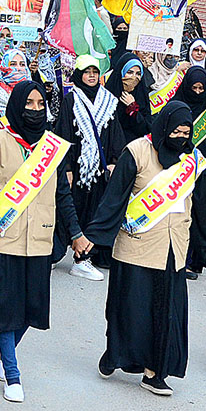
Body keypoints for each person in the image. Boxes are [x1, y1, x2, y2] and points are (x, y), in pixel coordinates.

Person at [0, 81, 91, 403]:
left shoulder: (54, 146)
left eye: (41, 104)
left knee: (29, 310)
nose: (35, 110)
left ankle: (5, 346)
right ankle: (12, 372)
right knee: (5, 308)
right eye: (29, 104)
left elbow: (63, 195)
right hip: (2, 239)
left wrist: (77, 234)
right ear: (16, 105)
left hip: (40, 239)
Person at [85, 101, 206, 396]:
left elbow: (204, 205)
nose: (181, 138)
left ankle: (155, 372)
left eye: (186, 132)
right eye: (176, 132)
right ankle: (115, 353)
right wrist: (93, 236)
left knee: (166, 314)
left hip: (174, 249)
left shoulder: (193, 160)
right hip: (136, 247)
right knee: (129, 310)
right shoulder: (136, 152)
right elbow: (114, 199)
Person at [54, 55, 125, 277]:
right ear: (79, 75)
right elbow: (64, 132)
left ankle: (82, 258)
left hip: (98, 170)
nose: (92, 76)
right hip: (76, 167)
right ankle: (54, 254)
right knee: (67, 209)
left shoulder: (108, 100)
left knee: (93, 211)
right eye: (87, 72)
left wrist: (114, 161)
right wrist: (65, 167)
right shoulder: (72, 99)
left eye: (95, 71)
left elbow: (115, 134)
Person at [171, 66, 206, 276]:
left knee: (199, 216)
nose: (199, 92)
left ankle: (195, 260)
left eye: (202, 88)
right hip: (180, 171)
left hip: (205, 172)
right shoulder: (176, 106)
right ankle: (179, 259)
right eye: (194, 87)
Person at [105, 53, 151, 143]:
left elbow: (145, 128)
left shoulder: (141, 95)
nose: (134, 77)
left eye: (138, 74)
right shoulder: (108, 94)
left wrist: (133, 108)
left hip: (134, 147)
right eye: (129, 72)